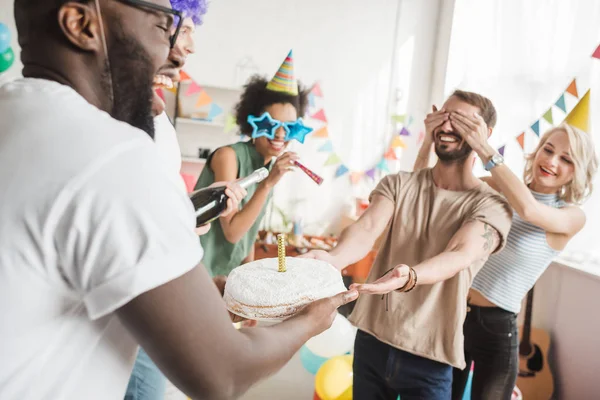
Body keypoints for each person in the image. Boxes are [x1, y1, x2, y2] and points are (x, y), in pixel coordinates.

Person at [0, 1, 358, 399]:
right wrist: (314, 318)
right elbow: (224, 375)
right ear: (80, 23)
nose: (176, 50)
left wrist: (207, 291)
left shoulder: (15, 113)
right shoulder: (111, 155)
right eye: (161, 26)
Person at [302, 90, 513, 399]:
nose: (450, 126)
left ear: (485, 134)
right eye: (445, 116)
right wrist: (335, 259)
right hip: (372, 339)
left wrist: (410, 275)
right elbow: (368, 228)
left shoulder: (492, 206)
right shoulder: (399, 183)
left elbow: (459, 253)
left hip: (430, 354)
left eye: (464, 121)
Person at [413, 108, 597, 399]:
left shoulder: (572, 216)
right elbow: (429, 187)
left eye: (566, 159)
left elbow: (529, 210)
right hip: (453, 312)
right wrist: (433, 138)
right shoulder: (496, 188)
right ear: (535, 153)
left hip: (496, 330)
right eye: (547, 150)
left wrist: (484, 149)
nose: (551, 161)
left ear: (578, 171)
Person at [123, 2, 244, 399]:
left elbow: (160, 204)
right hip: (140, 299)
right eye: (184, 29)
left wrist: (191, 206)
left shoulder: (157, 118)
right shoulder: (119, 120)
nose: (190, 46)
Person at [195, 50, 311, 277]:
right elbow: (232, 232)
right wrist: (267, 184)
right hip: (198, 270)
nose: (280, 134)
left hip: (226, 274)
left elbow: (249, 232)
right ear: (254, 122)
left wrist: (248, 276)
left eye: (288, 127)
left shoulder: (268, 167)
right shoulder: (228, 156)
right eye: (271, 124)